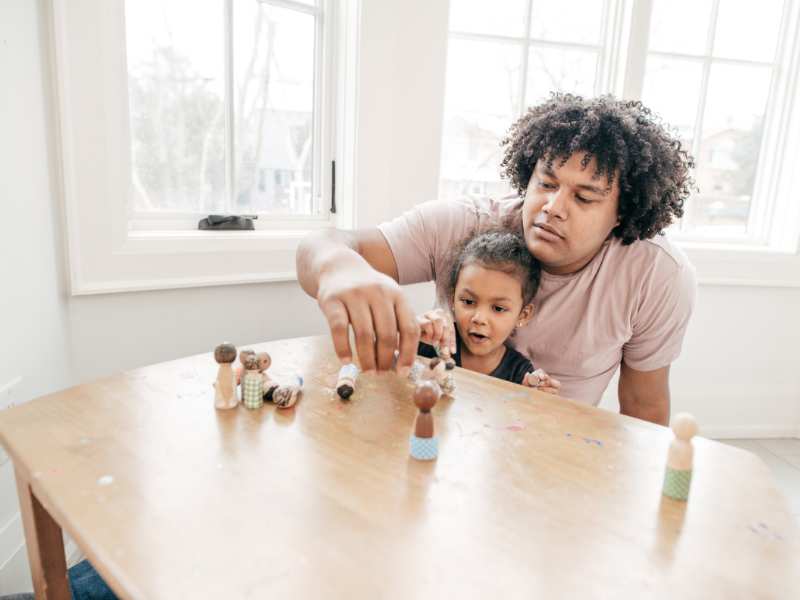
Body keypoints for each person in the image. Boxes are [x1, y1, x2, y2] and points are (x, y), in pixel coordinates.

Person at [297, 93, 697, 425]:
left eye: (584, 197)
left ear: (623, 214)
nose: (553, 207)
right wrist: (338, 268)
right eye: (546, 182)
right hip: (441, 427)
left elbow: (644, 411)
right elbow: (325, 244)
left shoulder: (656, 275)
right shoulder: (462, 224)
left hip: (552, 452)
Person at [416, 230, 559, 393]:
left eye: (498, 308)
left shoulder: (519, 373)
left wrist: (533, 396)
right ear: (452, 299)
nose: (479, 318)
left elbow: (519, 414)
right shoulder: (432, 342)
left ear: (523, 315)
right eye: (468, 302)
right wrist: (410, 332)